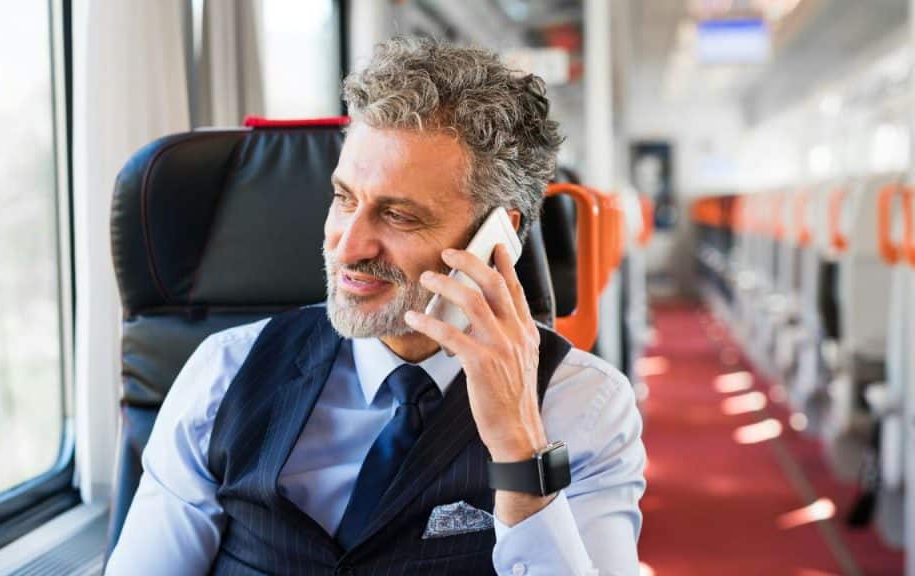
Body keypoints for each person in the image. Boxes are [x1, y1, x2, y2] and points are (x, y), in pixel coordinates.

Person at [106, 36, 645, 575]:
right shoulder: (223, 373)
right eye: (344, 199)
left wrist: (520, 451)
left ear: (499, 238)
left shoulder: (585, 408)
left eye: (399, 216)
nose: (347, 245)